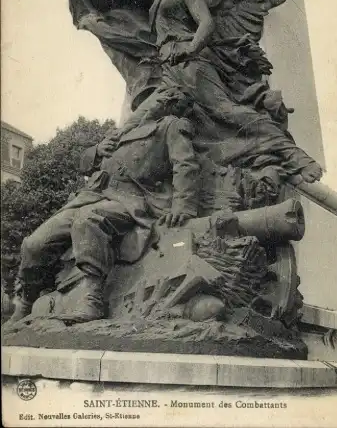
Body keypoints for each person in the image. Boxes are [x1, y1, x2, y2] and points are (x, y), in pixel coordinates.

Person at [57, 0, 322, 184]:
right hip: (169, 73)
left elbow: (206, 23)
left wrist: (190, 48)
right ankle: (105, 172)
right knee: (138, 119)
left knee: (227, 111)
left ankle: (295, 155)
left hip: (193, 66)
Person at [8, 88, 199, 325]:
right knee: (34, 243)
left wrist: (182, 204)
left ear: (165, 104)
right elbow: (84, 164)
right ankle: (25, 303)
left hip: (131, 201)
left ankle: (92, 300)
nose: (144, 106)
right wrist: (98, 150)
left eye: (154, 100)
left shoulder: (170, 126)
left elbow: (185, 164)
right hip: (92, 195)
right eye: (143, 102)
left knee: (88, 219)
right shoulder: (119, 134)